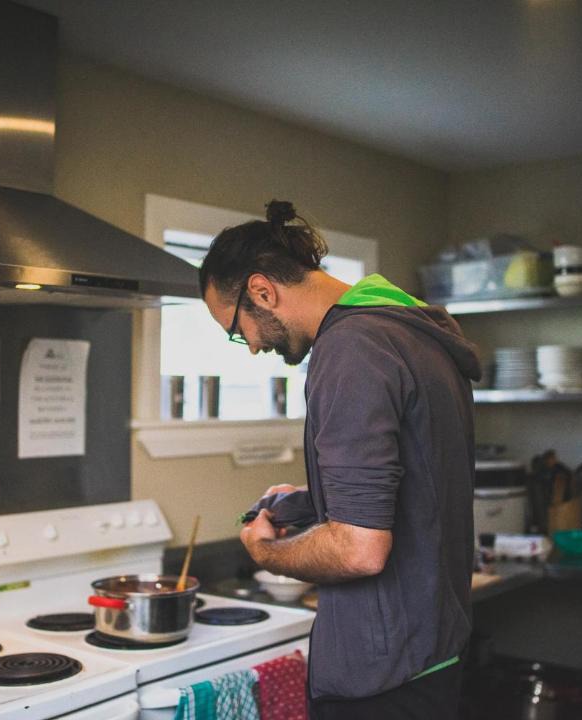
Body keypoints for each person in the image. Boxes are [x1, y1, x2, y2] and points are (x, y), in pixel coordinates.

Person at [199, 200, 481, 719]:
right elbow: (423, 482)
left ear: (262, 291)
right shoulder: (412, 334)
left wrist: (265, 554)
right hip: (432, 648)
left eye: (239, 330)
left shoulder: (350, 349)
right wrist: (315, 501)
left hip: (383, 673)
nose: (253, 348)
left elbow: (358, 551)